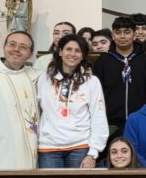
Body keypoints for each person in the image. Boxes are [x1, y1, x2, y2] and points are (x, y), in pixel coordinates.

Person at [37, 34, 108, 168]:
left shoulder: (92, 81)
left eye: (77, 50)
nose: (72, 54)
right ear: (60, 52)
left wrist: (93, 153)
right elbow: (36, 114)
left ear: (83, 55)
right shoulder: (43, 80)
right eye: (68, 49)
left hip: (80, 147)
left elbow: (98, 117)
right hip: (48, 147)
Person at [93, 17, 146, 140]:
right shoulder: (103, 61)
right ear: (113, 36)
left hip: (140, 120)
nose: (122, 36)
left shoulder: (145, 60)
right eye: (118, 32)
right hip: (110, 122)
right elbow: (96, 93)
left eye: (127, 32)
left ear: (134, 35)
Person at [0, 31, 39, 169]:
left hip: (29, 150)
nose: (16, 49)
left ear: (30, 54)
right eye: (12, 44)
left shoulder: (35, 76)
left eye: (23, 47)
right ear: (4, 47)